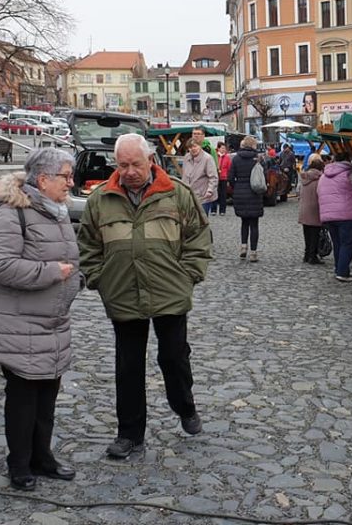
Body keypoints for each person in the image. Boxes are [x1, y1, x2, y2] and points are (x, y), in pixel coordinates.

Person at [77, 133, 212, 459]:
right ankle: (129, 434)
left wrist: (188, 276)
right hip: (123, 292)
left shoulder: (176, 193)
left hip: (170, 292)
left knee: (174, 357)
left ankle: (185, 407)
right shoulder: (101, 199)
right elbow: (88, 245)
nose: (129, 171)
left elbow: (198, 236)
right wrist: (100, 280)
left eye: (135, 164)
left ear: (150, 161)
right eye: (122, 165)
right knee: (128, 367)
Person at [0, 148, 80, 491]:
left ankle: (41, 457)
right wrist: (51, 272)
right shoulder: (11, 214)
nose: (71, 182)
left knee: (47, 394)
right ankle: (18, 463)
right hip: (17, 325)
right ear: (43, 179)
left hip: (51, 323)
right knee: (23, 397)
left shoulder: (55, 211)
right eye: (66, 176)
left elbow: (65, 257)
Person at [317, 152, 352, 282]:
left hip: (329, 216)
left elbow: (319, 192)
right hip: (346, 214)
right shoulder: (349, 174)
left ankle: (339, 269)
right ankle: (342, 272)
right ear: (348, 161)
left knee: (338, 243)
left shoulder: (324, 175)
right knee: (348, 243)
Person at [227, 135, 265, 262]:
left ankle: (243, 247)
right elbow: (263, 175)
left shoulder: (236, 159)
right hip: (254, 193)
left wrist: (237, 187)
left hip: (240, 193)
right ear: (254, 145)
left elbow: (230, 177)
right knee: (254, 224)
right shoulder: (258, 158)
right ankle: (253, 253)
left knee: (244, 222)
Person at [298, 154, 325, 264]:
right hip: (315, 208)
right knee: (315, 233)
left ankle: (306, 254)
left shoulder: (304, 177)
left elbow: (298, 192)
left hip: (304, 208)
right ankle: (312, 256)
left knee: (307, 232)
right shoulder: (320, 179)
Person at [180, 138, 218, 215]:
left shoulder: (208, 158)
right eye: (190, 147)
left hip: (203, 196)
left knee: (201, 221)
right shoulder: (187, 157)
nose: (193, 149)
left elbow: (213, 177)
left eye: (195, 146)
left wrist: (210, 190)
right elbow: (184, 175)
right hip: (188, 196)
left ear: (200, 146)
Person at [215, 142, 231, 216]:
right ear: (218, 148)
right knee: (215, 193)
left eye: (224, 148)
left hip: (224, 177)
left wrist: (228, 178)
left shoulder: (227, 157)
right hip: (215, 177)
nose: (223, 149)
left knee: (223, 195)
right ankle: (213, 210)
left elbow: (229, 168)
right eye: (222, 148)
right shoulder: (215, 156)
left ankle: (222, 210)